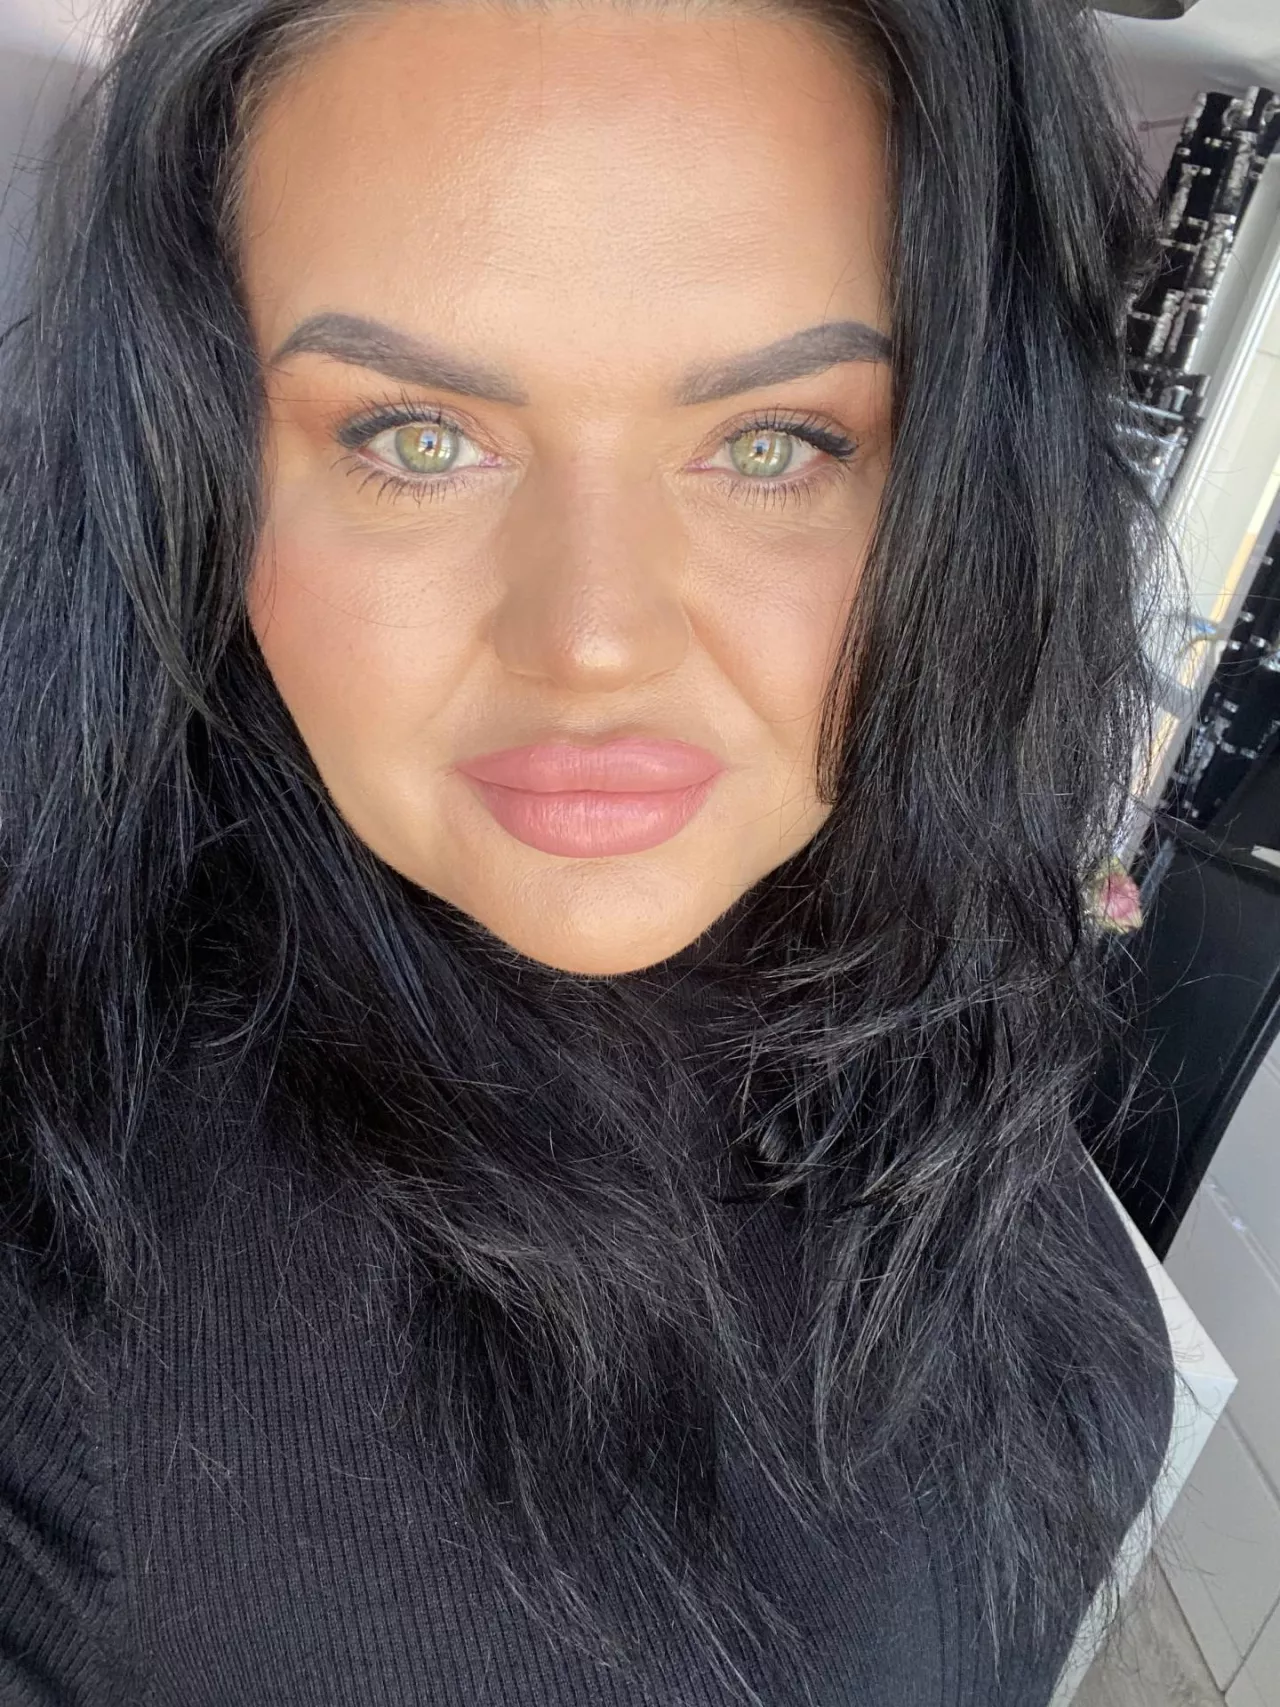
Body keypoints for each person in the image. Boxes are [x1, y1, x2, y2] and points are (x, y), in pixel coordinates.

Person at [0, 0, 1177, 1702]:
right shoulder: (72, 1301)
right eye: (415, 435)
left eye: (774, 443)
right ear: (193, 462)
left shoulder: (904, 934)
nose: (594, 639)